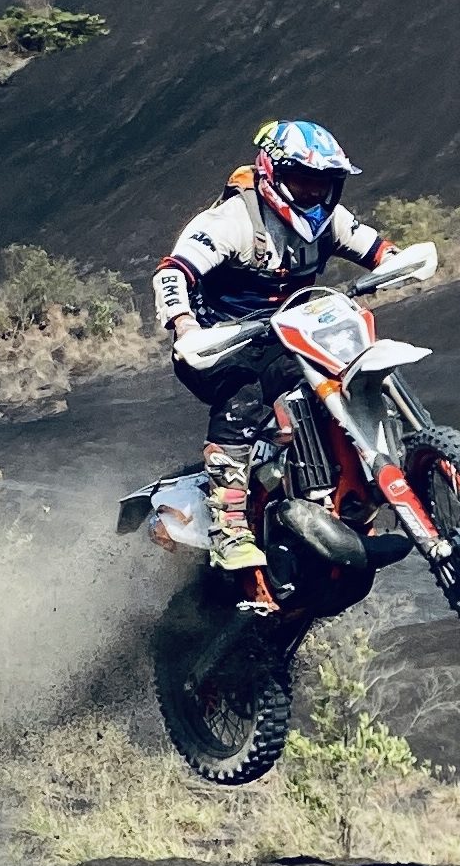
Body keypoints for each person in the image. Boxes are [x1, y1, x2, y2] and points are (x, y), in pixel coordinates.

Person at [152, 120, 398, 571]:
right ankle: (228, 527)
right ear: (273, 175)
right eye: (301, 180)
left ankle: (355, 503)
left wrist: (398, 263)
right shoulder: (231, 221)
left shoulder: (329, 220)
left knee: (346, 372)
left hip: (290, 335)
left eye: (322, 182)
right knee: (244, 394)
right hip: (218, 342)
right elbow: (172, 272)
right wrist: (185, 326)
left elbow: (378, 248)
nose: (312, 191)